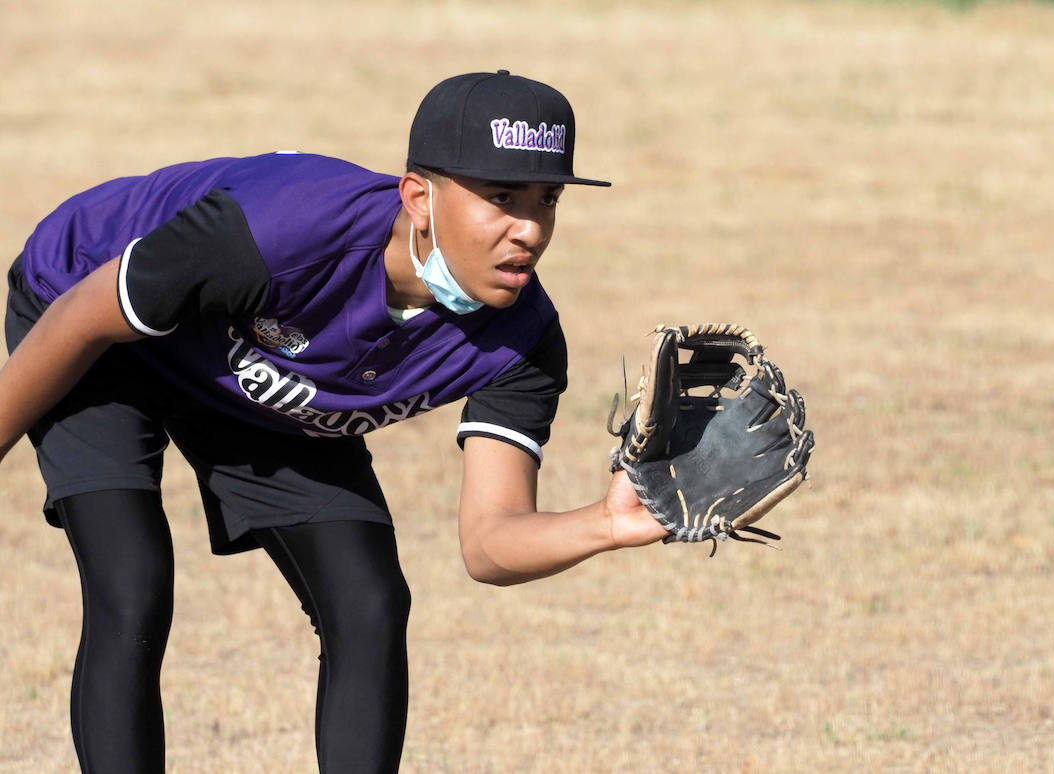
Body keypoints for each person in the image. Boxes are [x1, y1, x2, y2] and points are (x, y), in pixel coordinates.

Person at [0, 70, 668, 774]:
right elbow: (81, 317)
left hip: (259, 376)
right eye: (500, 197)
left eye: (547, 199)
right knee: (131, 583)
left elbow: (489, 543)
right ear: (418, 197)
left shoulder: (522, 339)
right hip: (91, 318)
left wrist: (609, 523)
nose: (528, 229)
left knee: (370, 604)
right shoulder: (277, 234)